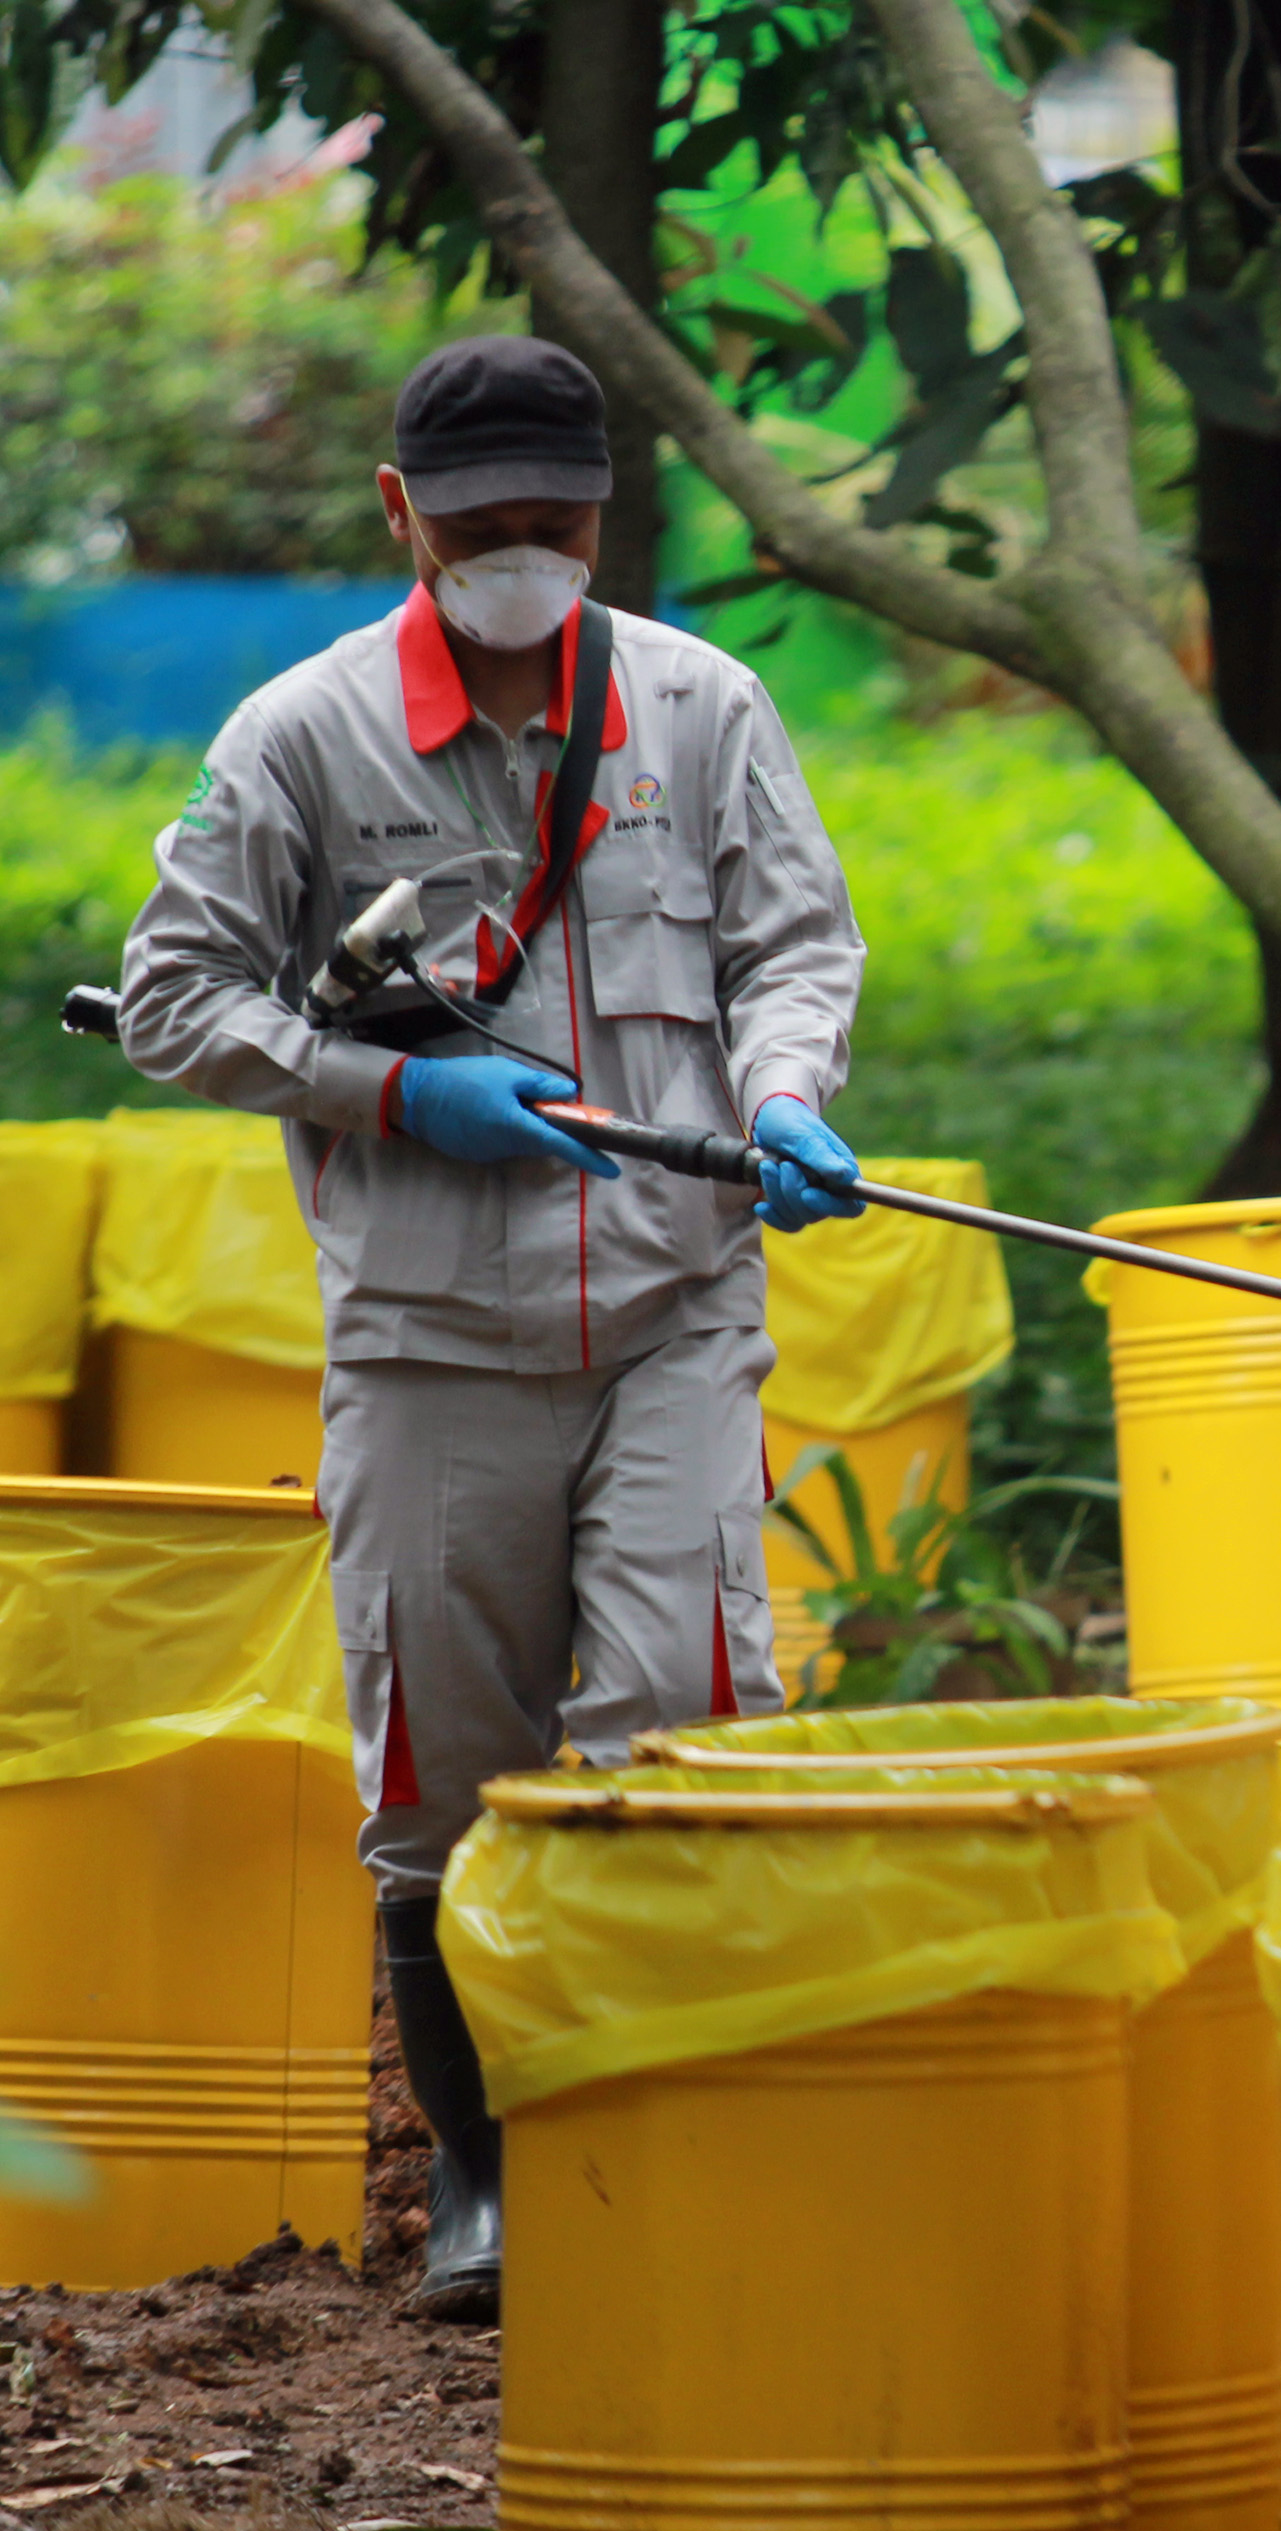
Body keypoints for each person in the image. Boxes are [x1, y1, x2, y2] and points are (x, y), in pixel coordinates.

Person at [119, 335, 869, 2321]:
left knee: (680, 1717)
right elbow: (177, 996)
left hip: (675, 1306)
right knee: (442, 1763)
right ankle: (483, 2170)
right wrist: (389, 1089)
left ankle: (647, 2141)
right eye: (480, 528)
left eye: (553, 521)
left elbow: (795, 942)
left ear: (602, 514)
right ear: (404, 519)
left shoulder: (701, 707)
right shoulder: (303, 736)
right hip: (430, 1334)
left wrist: (787, 1090)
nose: (520, 555)